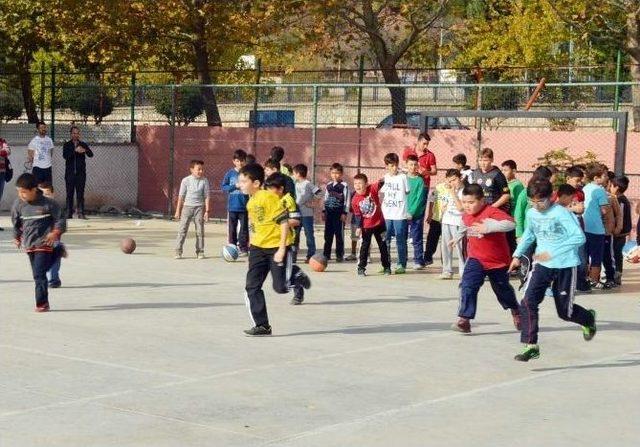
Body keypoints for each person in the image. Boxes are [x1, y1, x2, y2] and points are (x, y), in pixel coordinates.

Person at [509, 179, 597, 362]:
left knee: (565, 312)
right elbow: (529, 235)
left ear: (551, 197)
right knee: (527, 302)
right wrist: (517, 255)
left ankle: (588, 318)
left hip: (565, 264)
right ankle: (531, 345)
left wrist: (553, 252)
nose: (536, 205)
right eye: (532, 201)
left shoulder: (562, 214)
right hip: (542, 264)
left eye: (540, 201)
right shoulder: (532, 213)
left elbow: (579, 238)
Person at [239, 164, 311, 335]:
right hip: (257, 248)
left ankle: (296, 274)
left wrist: (281, 249)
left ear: (256, 183)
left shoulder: (268, 197)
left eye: (243, 181)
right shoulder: (251, 201)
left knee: (280, 288)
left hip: (276, 247)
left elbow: (284, 222)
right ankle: (262, 325)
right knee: (252, 287)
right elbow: (257, 225)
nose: (239, 184)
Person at [450, 183, 520, 334]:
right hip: (476, 258)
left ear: (482, 200)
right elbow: (464, 225)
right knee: (467, 285)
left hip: (497, 261)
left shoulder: (492, 211)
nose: (467, 206)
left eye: (471, 202)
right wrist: (457, 237)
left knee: (502, 290)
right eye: (464, 202)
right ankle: (464, 319)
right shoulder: (466, 215)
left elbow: (511, 223)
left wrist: (488, 227)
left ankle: (516, 310)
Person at [11, 173, 66, 312]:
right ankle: (58, 252)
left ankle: (42, 303)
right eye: (19, 192)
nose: (21, 195)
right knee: (38, 271)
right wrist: (16, 237)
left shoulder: (48, 203)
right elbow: (16, 224)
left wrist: (55, 232)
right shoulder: (18, 204)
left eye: (24, 192)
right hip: (29, 244)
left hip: (44, 242)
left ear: (34, 189)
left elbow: (60, 219)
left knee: (38, 275)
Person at [265, 172, 309, 304]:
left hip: (288, 240)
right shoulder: (270, 199)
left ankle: (298, 291)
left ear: (280, 189)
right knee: (281, 271)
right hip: (272, 241)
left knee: (286, 275)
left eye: (270, 188)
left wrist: (281, 222)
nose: (268, 191)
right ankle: (297, 273)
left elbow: (296, 221)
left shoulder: (288, 200)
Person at [351, 173, 391, 276]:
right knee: (365, 246)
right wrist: (359, 227)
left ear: (366, 184)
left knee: (383, 245)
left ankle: (386, 267)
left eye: (360, 183)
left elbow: (382, 181)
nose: (357, 186)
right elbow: (358, 215)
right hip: (366, 227)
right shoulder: (355, 199)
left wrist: (391, 174)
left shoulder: (372, 188)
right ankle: (361, 268)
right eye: (355, 183)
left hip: (379, 224)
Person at [380, 152, 410, 274]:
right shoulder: (385, 178)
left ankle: (401, 264)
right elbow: (381, 192)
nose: (393, 168)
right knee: (384, 239)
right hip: (386, 215)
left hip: (400, 215)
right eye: (391, 165)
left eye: (395, 165)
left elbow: (407, 191)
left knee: (400, 240)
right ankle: (386, 264)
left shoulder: (403, 177)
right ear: (386, 166)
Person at [174, 160, 210, 259]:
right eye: (198, 169)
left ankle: (200, 252)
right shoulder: (185, 181)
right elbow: (181, 196)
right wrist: (178, 211)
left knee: (200, 230)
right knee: (182, 230)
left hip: (199, 208)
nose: (201, 171)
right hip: (187, 207)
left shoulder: (204, 181)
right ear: (191, 170)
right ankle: (178, 251)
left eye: (202, 169)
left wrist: (207, 211)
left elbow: (207, 196)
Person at [582, 164, 611, 288]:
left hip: (583, 226)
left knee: (584, 255)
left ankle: (584, 279)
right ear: (596, 178)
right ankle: (594, 280)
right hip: (596, 228)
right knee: (596, 257)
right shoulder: (600, 190)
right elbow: (604, 210)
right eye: (604, 175)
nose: (606, 177)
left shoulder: (585, 188)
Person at [39, 182, 67, 288]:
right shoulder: (36, 208)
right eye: (42, 194)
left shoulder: (56, 207)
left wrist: (56, 232)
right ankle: (44, 278)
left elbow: (61, 222)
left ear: (53, 194)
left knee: (55, 258)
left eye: (47, 194)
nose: (45, 196)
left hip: (54, 238)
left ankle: (53, 279)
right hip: (40, 240)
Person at [221, 149, 249, 256]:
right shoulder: (230, 173)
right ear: (234, 161)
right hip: (232, 207)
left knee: (244, 229)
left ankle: (243, 247)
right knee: (232, 228)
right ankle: (232, 246)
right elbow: (224, 187)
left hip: (244, 207)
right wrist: (234, 186)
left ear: (245, 161)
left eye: (242, 160)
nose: (240, 163)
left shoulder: (247, 173)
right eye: (238, 161)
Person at [62, 126, 93, 219]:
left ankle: (81, 213)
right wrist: (75, 150)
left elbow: (91, 154)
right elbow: (65, 156)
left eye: (77, 133)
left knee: (80, 193)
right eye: (74, 133)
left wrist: (85, 150)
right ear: (71, 134)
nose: (76, 135)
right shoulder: (67, 145)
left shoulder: (83, 144)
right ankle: (69, 213)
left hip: (81, 174)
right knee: (69, 193)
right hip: (70, 174)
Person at [439, 169, 465, 279]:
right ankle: (447, 270)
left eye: (454, 180)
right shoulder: (449, 190)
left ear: (460, 178)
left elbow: (461, 208)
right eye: (449, 181)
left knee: (460, 248)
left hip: (458, 221)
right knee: (445, 247)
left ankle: (463, 271)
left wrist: (453, 193)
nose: (452, 183)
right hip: (447, 220)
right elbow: (444, 205)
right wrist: (443, 209)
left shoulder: (465, 191)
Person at [467, 148, 510, 212]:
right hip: (479, 209)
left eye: (485, 160)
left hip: (493, 210)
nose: (482, 163)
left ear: (492, 160)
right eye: (480, 160)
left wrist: (491, 208)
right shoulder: (475, 173)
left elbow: (506, 195)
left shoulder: (497, 175)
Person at [322, 162, 350, 262]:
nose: (335, 175)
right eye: (333, 173)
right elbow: (325, 198)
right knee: (328, 235)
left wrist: (344, 213)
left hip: (339, 214)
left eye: (337, 173)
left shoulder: (344, 185)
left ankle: (339, 255)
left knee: (339, 235)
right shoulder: (328, 185)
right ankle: (326, 254)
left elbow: (347, 199)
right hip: (329, 214)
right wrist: (324, 211)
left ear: (341, 174)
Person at [292, 163, 319, 263]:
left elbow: (319, 193)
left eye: (294, 173)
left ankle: (311, 256)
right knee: (295, 235)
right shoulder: (295, 184)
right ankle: (293, 256)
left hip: (307, 214)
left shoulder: (308, 184)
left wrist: (312, 203)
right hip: (296, 214)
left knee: (309, 235)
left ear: (298, 174)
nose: (293, 175)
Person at [406, 154, 427, 270]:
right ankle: (402, 260)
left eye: (415, 165)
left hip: (416, 214)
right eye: (410, 164)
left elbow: (419, 198)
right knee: (402, 237)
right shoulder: (403, 178)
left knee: (416, 238)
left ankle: (419, 260)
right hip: (403, 213)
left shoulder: (420, 181)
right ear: (406, 165)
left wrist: (412, 212)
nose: (413, 167)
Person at [610, 176, 631, 285]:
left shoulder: (620, 200)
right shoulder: (620, 199)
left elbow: (620, 217)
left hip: (619, 233)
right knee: (616, 253)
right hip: (620, 232)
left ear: (616, 187)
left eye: (611, 185)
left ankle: (616, 275)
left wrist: (616, 229)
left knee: (616, 253)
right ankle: (616, 274)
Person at [500, 159, 524, 254]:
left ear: (514, 171)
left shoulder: (517, 185)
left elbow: (519, 204)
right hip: (506, 217)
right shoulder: (505, 184)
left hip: (513, 217)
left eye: (506, 170)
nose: (503, 172)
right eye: (502, 170)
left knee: (512, 243)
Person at [424, 174, 448, 266]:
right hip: (436, 218)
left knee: (445, 242)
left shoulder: (454, 190)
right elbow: (431, 200)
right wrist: (430, 214)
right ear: (445, 178)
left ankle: (445, 261)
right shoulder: (438, 188)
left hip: (447, 220)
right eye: (448, 179)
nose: (449, 182)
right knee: (431, 240)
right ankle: (427, 258)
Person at [0, 137, 11, 231]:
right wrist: (1, 151)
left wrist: (3, 151)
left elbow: (7, 152)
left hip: (1, 173)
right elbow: (3, 152)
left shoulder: (2, 141)